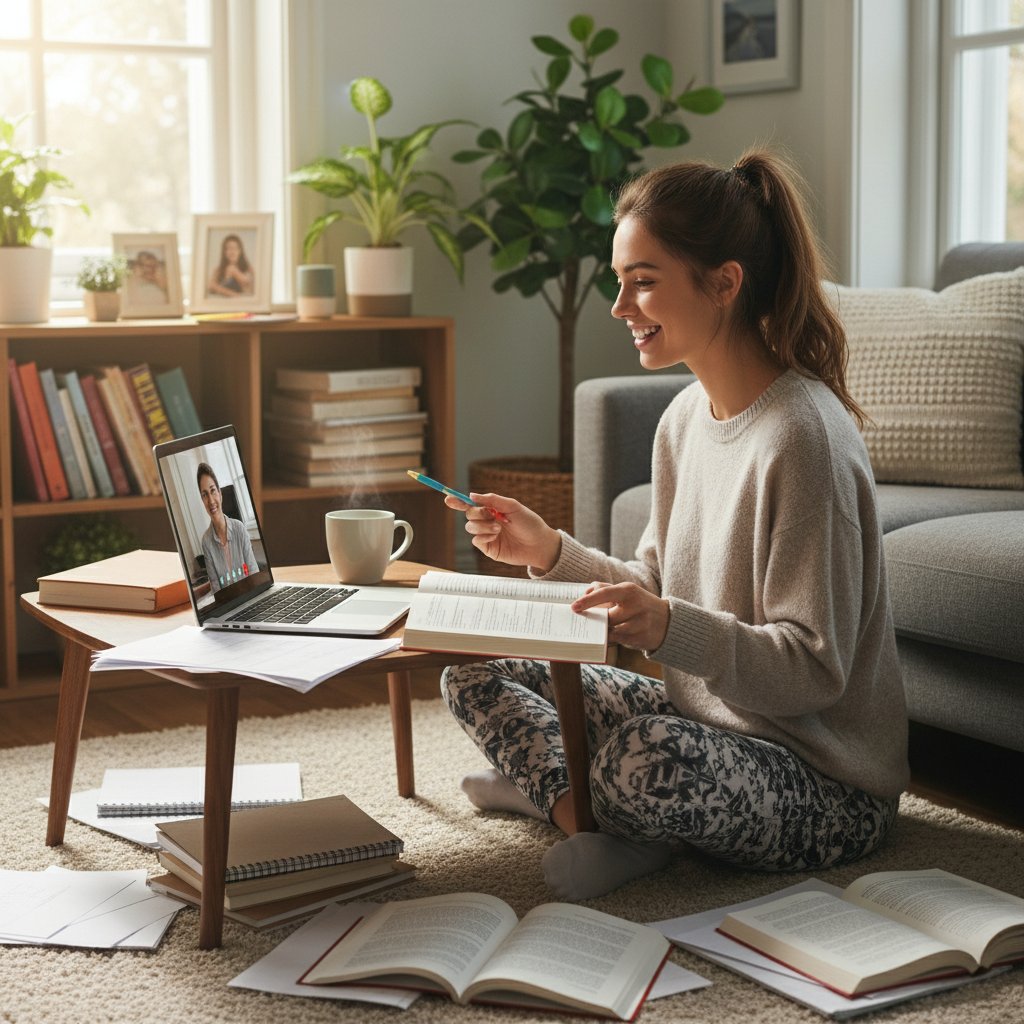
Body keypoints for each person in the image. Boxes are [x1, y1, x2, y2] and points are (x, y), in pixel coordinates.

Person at [440, 149, 909, 902]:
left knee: (640, 756)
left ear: (724, 283)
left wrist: (666, 628)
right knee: (472, 669)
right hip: (707, 720)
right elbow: (653, 588)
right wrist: (550, 551)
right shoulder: (684, 418)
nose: (621, 308)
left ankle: (586, 802)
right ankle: (580, 811)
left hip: (825, 781)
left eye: (643, 282)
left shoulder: (804, 439)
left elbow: (812, 671)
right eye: (620, 284)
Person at [197, 462, 258, 593]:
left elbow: (253, 572)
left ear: (220, 493)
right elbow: (216, 587)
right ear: (202, 500)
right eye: (205, 494)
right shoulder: (206, 542)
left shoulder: (239, 529)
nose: (211, 500)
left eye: (213, 491)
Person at [207, 233, 254, 297]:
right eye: (228, 248)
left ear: (240, 251)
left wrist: (235, 272)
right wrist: (229, 293)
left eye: (235, 248)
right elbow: (211, 287)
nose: (232, 251)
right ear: (224, 252)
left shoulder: (248, 269)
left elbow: (249, 290)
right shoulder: (218, 270)